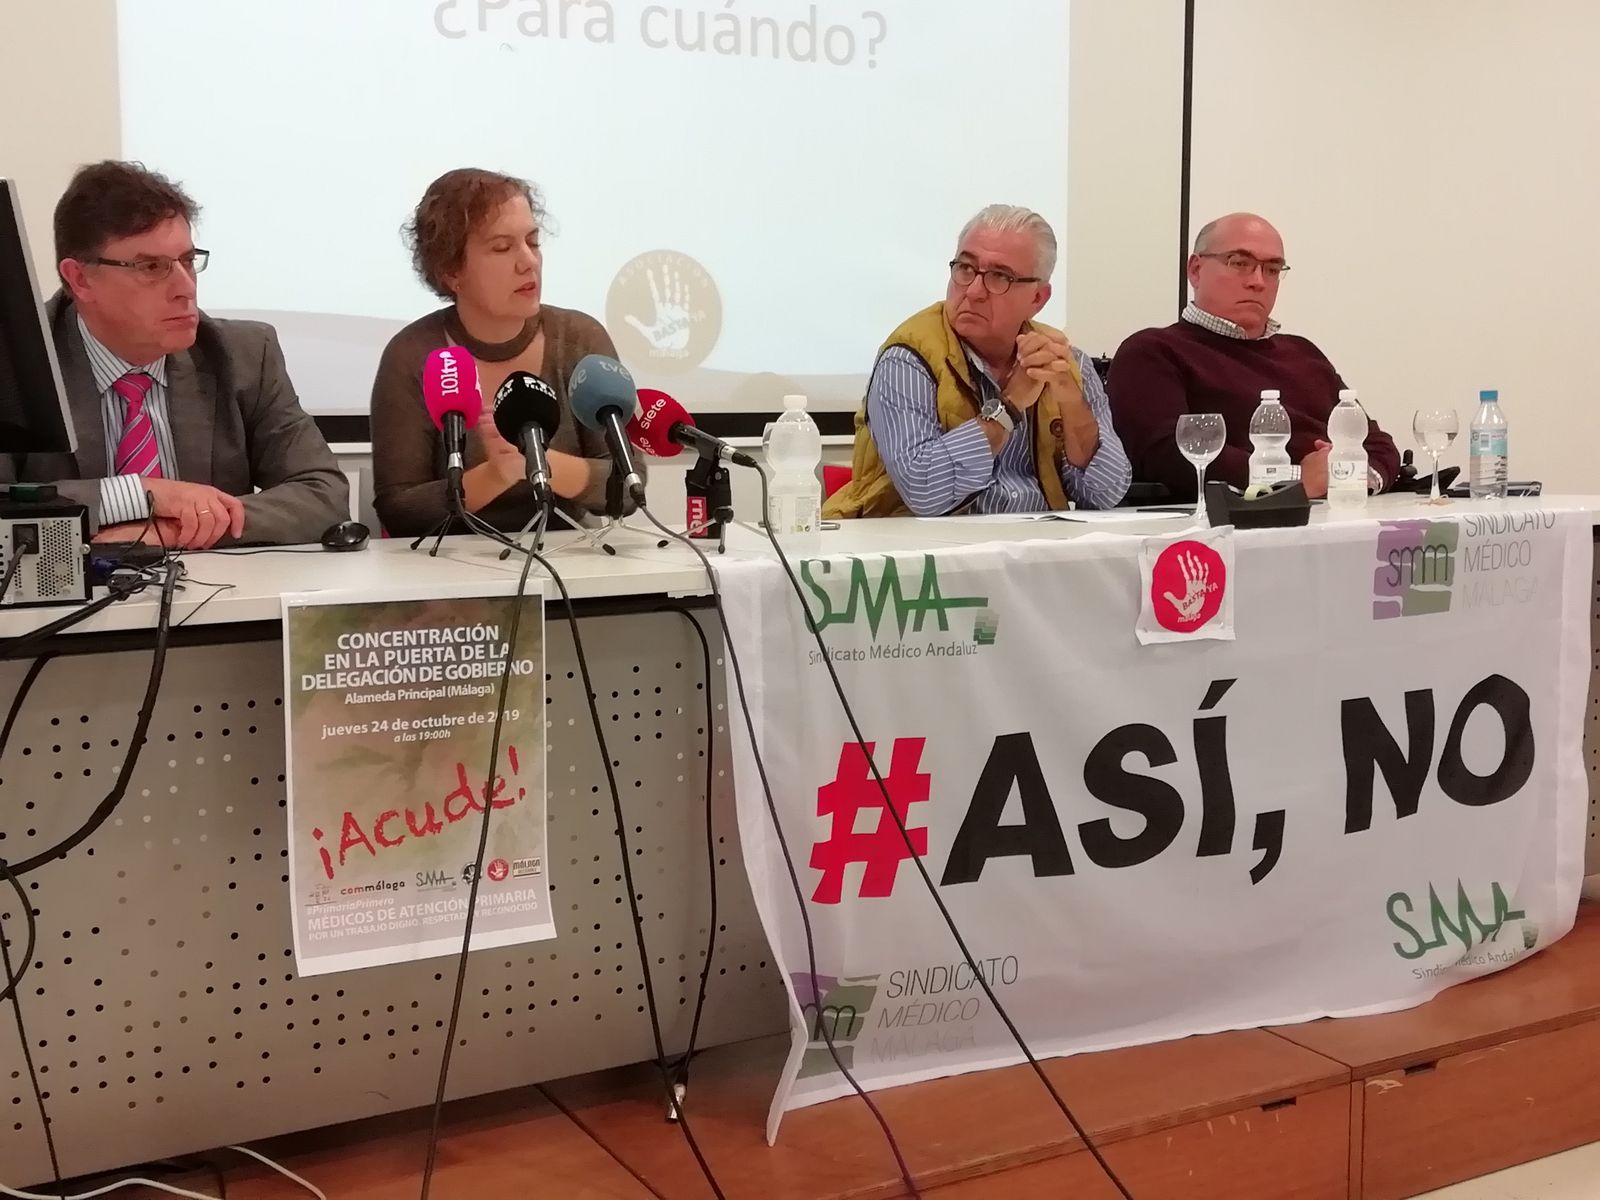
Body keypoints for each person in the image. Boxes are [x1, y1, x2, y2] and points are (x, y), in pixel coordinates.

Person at [0, 161, 347, 547]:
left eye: (187, 261)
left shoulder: (243, 354)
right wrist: (140, 495)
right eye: (152, 266)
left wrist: (168, 531)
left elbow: (324, 494)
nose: (185, 288)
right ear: (80, 279)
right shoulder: (15, 363)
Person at [823, 205, 1130, 519]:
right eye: (965, 268)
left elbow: (1106, 493)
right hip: (921, 554)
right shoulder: (907, 359)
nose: (973, 290)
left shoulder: (1064, 361)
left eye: (1000, 276)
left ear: (1038, 298)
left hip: (1037, 551)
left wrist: (1069, 397)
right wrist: (1010, 407)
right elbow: (925, 492)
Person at [370, 169, 632, 536]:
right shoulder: (412, 354)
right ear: (451, 271)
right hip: (452, 572)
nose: (529, 261)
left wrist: (537, 462)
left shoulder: (578, 338)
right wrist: (494, 474)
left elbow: (629, 483)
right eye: (502, 247)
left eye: (533, 241)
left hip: (570, 558)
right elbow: (399, 510)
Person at [1109, 212, 1400, 499]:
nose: (1258, 281)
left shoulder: (1304, 353)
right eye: (1240, 263)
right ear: (1195, 270)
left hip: (1340, 515)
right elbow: (1165, 454)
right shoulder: (1153, 351)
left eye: (1272, 269)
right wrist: (1295, 480)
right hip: (1228, 527)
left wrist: (1350, 478)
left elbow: (1376, 444)